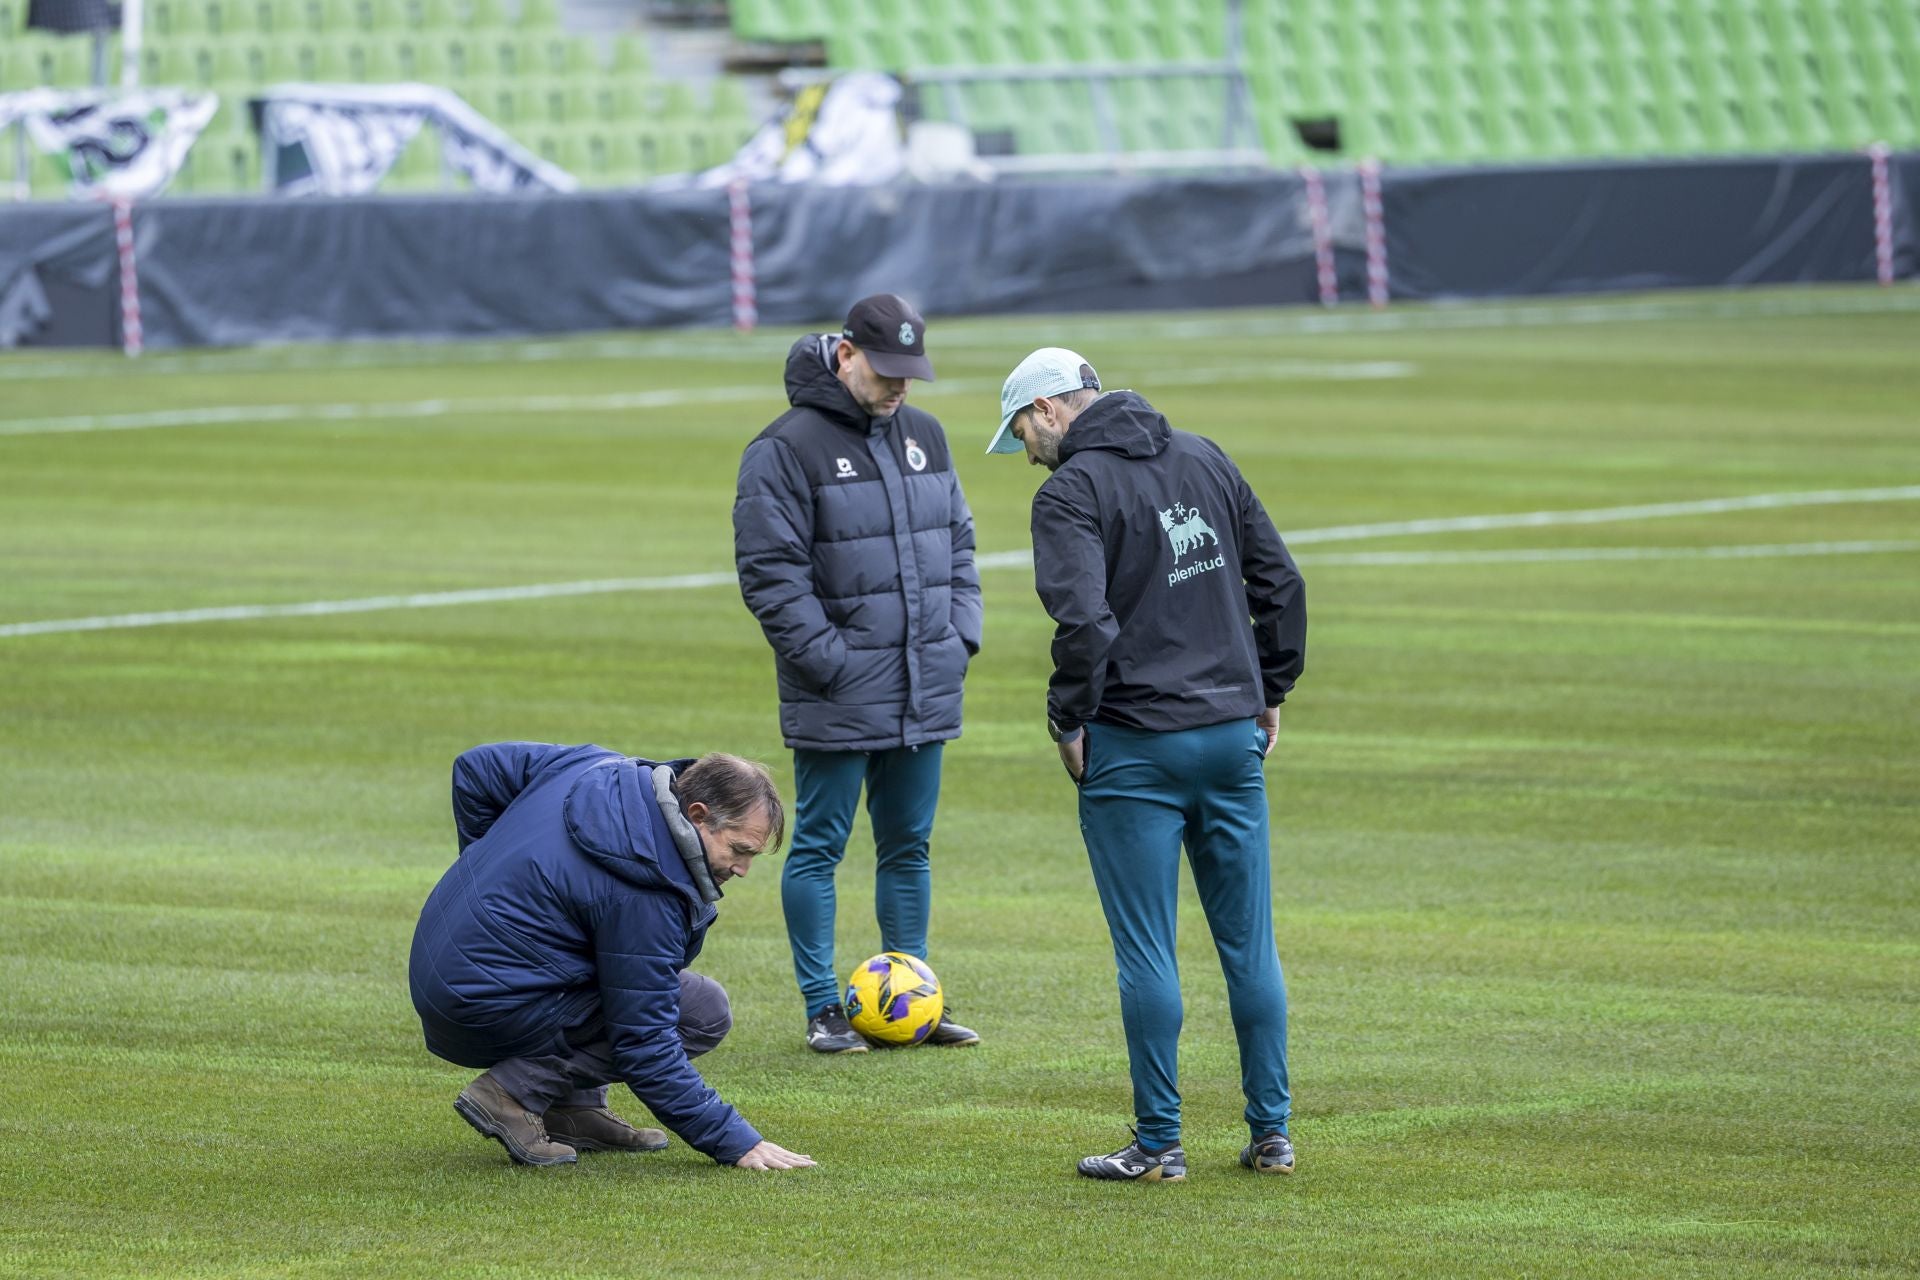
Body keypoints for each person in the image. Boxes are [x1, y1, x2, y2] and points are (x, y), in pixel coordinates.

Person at [987, 348, 1308, 1182]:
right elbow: (1279, 582)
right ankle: (1272, 1134)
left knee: (1147, 953)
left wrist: (1067, 718)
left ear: (1053, 408)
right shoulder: (1204, 454)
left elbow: (1085, 625)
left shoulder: (1068, 492)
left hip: (1134, 745)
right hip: (1232, 735)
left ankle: (1160, 1144)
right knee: (1249, 945)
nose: (1025, 450)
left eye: (1022, 428)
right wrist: (1268, 687)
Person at [733, 293, 984, 1054]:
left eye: (911, 370)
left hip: (924, 680)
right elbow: (771, 574)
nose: (901, 385)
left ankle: (914, 998)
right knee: (820, 845)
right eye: (886, 369)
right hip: (839, 689)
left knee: (908, 846)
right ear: (846, 354)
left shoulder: (927, 436)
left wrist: (959, 635)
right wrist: (830, 664)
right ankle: (823, 1008)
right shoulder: (783, 448)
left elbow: (962, 545)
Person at [408, 741, 815, 1171]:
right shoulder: (648, 893)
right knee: (701, 1011)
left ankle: (573, 1109)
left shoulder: (602, 769)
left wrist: (481, 871)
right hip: (478, 1009)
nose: (743, 869)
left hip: (446, 970)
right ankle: (512, 1091)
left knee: (609, 971)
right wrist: (734, 1141)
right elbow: (645, 1042)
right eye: (739, 850)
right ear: (697, 815)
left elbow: (479, 767)